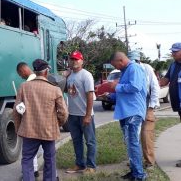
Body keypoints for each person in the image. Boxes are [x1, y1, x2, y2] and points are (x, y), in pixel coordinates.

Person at [14, 59, 68, 181]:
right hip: (48, 131)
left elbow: (16, 110)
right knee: (50, 160)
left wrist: (18, 128)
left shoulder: (24, 87)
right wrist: (57, 124)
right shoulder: (55, 89)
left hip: (29, 131)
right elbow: (64, 113)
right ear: (46, 72)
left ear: (35, 71)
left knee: (27, 160)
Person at [105, 52, 147, 181]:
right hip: (126, 112)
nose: (116, 68)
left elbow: (135, 87)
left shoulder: (135, 68)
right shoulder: (125, 71)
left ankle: (139, 175)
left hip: (133, 112)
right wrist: (109, 96)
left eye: (115, 65)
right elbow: (123, 93)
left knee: (133, 143)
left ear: (121, 60)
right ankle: (134, 172)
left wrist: (116, 86)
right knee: (130, 143)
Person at [64, 51, 97, 174]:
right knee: (76, 140)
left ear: (82, 61)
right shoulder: (70, 75)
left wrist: (88, 115)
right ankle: (79, 164)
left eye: (77, 59)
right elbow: (66, 91)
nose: (74, 61)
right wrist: (65, 76)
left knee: (90, 141)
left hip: (85, 115)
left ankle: (91, 166)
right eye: (72, 59)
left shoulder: (86, 75)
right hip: (73, 115)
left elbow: (90, 95)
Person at [128, 51, 160, 169]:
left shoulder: (147, 68)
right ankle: (135, 161)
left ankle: (149, 161)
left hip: (147, 107)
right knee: (133, 136)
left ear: (139, 60)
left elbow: (155, 87)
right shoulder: (128, 70)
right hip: (134, 108)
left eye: (135, 61)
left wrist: (151, 107)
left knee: (146, 135)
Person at [16, 62, 40, 178]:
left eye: (20, 74)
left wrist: (19, 107)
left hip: (32, 122)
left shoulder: (26, 85)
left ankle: (32, 172)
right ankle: (50, 173)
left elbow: (21, 108)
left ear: (23, 71)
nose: (20, 76)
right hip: (45, 123)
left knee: (29, 152)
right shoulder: (44, 81)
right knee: (48, 152)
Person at [159, 42, 181, 167]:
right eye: (172, 51)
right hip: (178, 105)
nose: (173, 54)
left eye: (175, 51)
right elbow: (165, 80)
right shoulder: (173, 66)